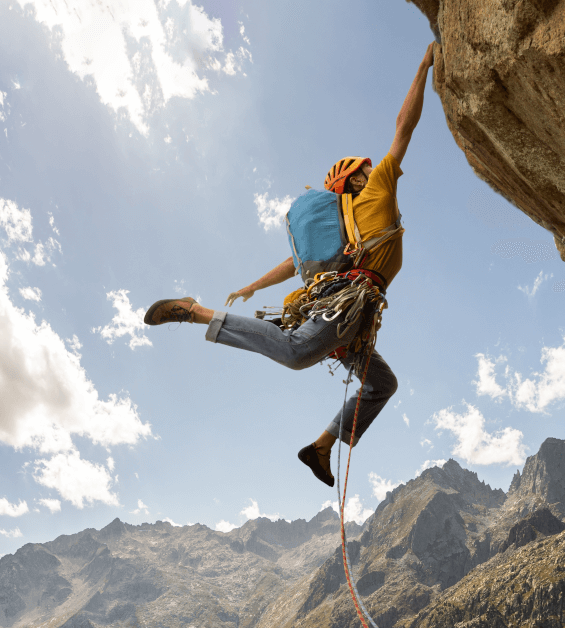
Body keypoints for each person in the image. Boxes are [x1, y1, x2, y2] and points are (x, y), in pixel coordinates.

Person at [144, 43, 435, 487]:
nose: (371, 169)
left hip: (355, 315)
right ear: (353, 180)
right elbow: (403, 127)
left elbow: (291, 263)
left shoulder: (350, 221)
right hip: (345, 306)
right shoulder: (375, 192)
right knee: (298, 352)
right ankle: (196, 310)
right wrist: (421, 67)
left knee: (382, 384)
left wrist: (252, 286)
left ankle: (320, 447)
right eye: (363, 169)